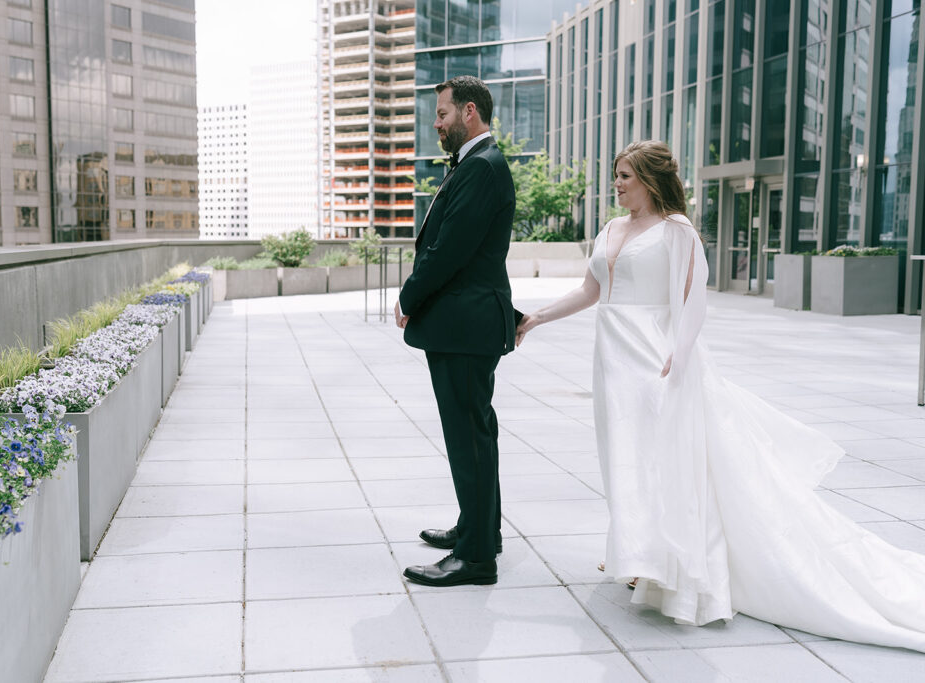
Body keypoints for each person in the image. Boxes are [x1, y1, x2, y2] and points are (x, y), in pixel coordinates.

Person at [516, 140, 925, 651]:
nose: (616, 184)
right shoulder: (610, 229)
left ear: (649, 179)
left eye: (625, 176)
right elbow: (590, 292)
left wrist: (680, 355)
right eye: (616, 174)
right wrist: (535, 319)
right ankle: (637, 553)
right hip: (612, 363)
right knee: (624, 457)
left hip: (657, 360)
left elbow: (694, 299)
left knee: (664, 460)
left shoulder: (677, 231)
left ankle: (667, 561)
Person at [393, 75, 517, 587]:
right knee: (474, 434)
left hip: (465, 325)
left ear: (469, 112)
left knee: (469, 438)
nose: (436, 126)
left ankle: (476, 557)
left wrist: (407, 296)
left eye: (441, 115)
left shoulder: (482, 168)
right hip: (465, 324)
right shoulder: (477, 165)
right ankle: (478, 529)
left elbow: (450, 251)